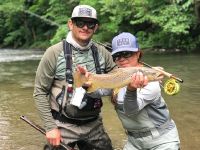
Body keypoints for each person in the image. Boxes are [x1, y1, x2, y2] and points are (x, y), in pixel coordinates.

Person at [33, 4, 117, 150]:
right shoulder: (53, 53)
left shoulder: (103, 52)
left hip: (93, 125)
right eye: (80, 22)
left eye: (90, 23)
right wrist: (50, 127)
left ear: (96, 27)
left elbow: (117, 78)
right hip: (61, 125)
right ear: (70, 24)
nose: (85, 27)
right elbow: (40, 92)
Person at [111, 32, 181, 150]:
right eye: (117, 56)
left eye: (126, 54)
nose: (121, 59)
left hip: (162, 141)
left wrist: (131, 90)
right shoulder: (117, 76)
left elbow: (130, 111)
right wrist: (86, 81)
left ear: (138, 54)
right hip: (133, 142)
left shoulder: (152, 81)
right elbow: (97, 91)